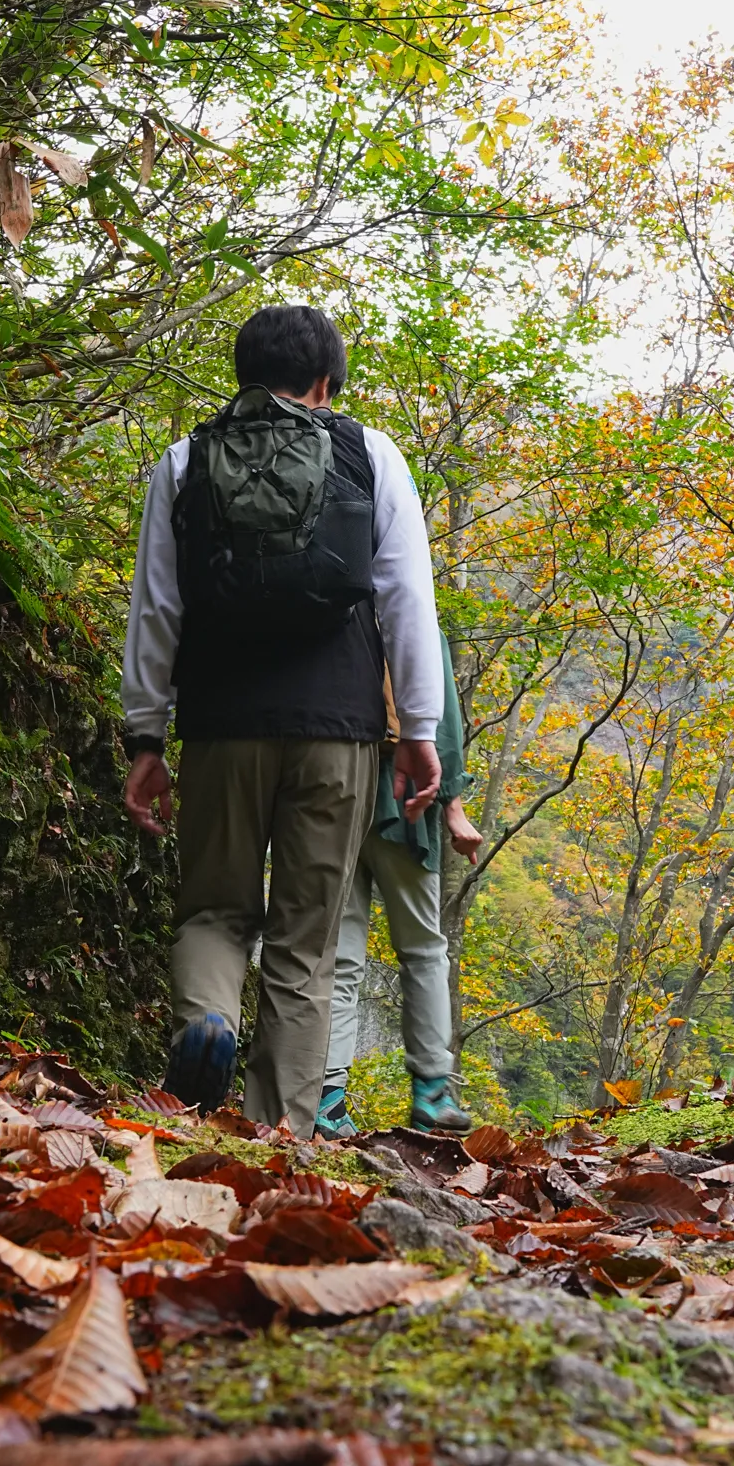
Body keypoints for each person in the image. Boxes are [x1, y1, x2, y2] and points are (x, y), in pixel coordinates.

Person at [121, 305, 444, 1140]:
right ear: (327, 384)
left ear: (242, 374)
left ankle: (208, 1020)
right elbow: (408, 599)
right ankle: (277, 1138)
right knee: (307, 940)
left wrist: (146, 737)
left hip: (222, 725)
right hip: (338, 732)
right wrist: (418, 731)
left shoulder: (187, 459)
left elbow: (157, 608)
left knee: (213, 912)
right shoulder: (369, 454)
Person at [316, 629, 483, 1141]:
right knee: (423, 950)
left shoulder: (329, 607)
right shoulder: (411, 617)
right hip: (403, 798)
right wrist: (452, 807)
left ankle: (325, 1097)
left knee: (339, 957)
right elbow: (443, 719)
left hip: (328, 796)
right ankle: (432, 1094)